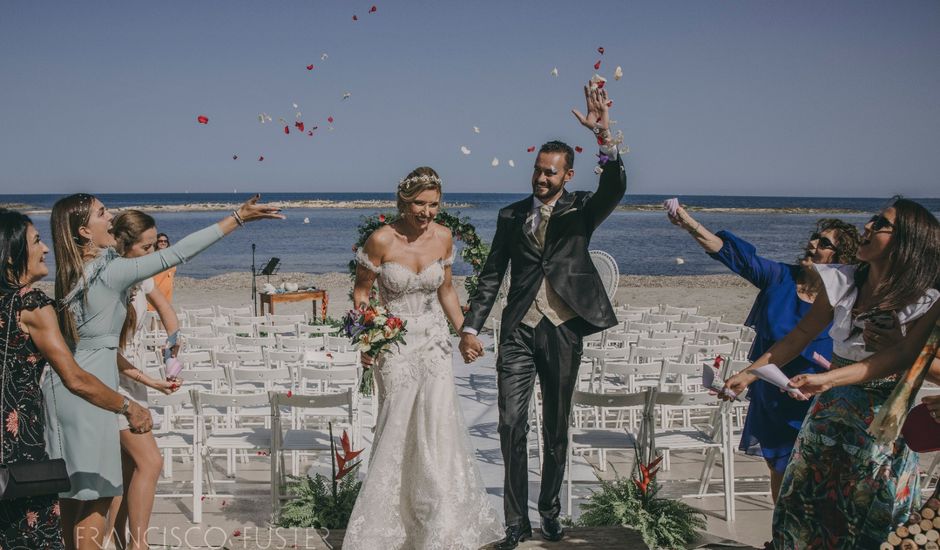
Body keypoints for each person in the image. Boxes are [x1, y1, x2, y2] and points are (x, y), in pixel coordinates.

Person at [45, 194, 282, 550]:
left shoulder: (73, 271)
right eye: (102, 213)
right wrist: (236, 218)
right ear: (83, 231)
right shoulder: (109, 271)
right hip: (92, 390)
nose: (111, 217)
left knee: (73, 496)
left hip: (68, 385)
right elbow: (178, 253)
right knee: (94, 497)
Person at [459, 82, 626, 549]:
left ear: (568, 176)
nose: (541, 179)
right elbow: (492, 273)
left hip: (563, 328)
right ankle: (516, 522)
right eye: (537, 171)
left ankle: (549, 510)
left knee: (555, 426)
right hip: (517, 331)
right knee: (511, 424)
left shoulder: (582, 211)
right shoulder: (511, 216)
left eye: (551, 173)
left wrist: (604, 137)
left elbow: (616, 186)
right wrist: (472, 324)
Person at [721, 198, 940, 549]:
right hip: (827, 417)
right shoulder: (842, 280)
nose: (867, 226)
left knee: (870, 512)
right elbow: (800, 336)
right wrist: (751, 372)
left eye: (879, 223)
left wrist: (833, 377)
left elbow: (911, 359)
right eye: (872, 218)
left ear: (905, 241)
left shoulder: (925, 300)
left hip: (880, 425)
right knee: (806, 507)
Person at [343, 167, 503, 549]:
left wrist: (465, 331)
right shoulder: (380, 240)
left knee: (436, 428)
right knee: (398, 425)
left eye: (433, 204)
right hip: (394, 346)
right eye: (419, 203)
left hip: (432, 343)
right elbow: (361, 293)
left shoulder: (444, 237)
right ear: (402, 201)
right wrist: (368, 338)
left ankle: (439, 525)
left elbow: (447, 289)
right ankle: (390, 529)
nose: (427, 212)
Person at [667, 207, 860, 501]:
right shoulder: (781, 277)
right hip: (769, 388)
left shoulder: (847, 296)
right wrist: (690, 224)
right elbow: (731, 255)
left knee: (817, 471)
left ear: (841, 258)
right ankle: (782, 536)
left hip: (815, 393)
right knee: (778, 467)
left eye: (824, 243)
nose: (812, 244)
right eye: (814, 238)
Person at [0, 209, 150, 550]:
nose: (46, 249)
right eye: (36, 241)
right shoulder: (31, 304)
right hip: (17, 445)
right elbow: (76, 378)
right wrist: (129, 407)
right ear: (12, 257)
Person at [107, 211, 182, 550]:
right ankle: (139, 545)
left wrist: (173, 340)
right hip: (113, 380)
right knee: (150, 461)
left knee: (128, 468)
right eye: (147, 247)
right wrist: (151, 382)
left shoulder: (142, 275)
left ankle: (116, 541)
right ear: (125, 246)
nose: (154, 255)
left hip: (136, 376)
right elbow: (107, 353)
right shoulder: (110, 283)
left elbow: (164, 307)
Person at [147, 233, 175, 312]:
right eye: (160, 241)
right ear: (156, 242)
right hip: (157, 289)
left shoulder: (170, 256)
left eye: (165, 241)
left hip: (168, 290)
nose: (163, 243)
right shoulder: (153, 256)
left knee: (163, 315)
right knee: (154, 316)